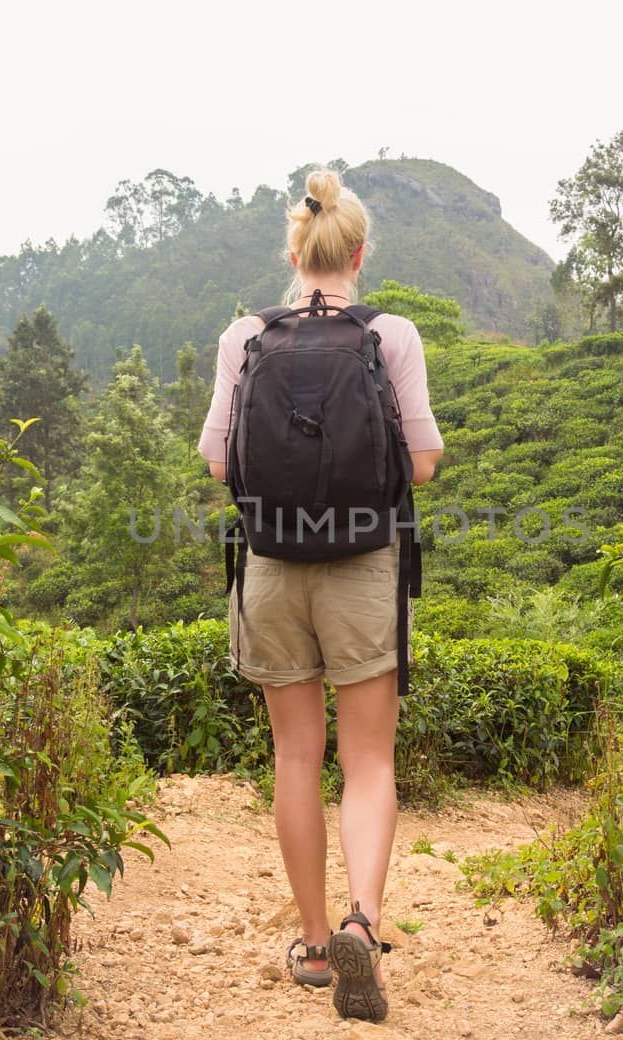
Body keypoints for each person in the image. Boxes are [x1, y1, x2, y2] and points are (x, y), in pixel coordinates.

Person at [196, 167, 444, 1022]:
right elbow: (419, 463)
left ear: (293, 251)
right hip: (364, 568)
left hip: (270, 567)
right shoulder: (393, 335)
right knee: (369, 759)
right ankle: (362, 929)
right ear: (358, 252)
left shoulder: (244, 337)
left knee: (297, 756)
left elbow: (221, 462)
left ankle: (310, 942)